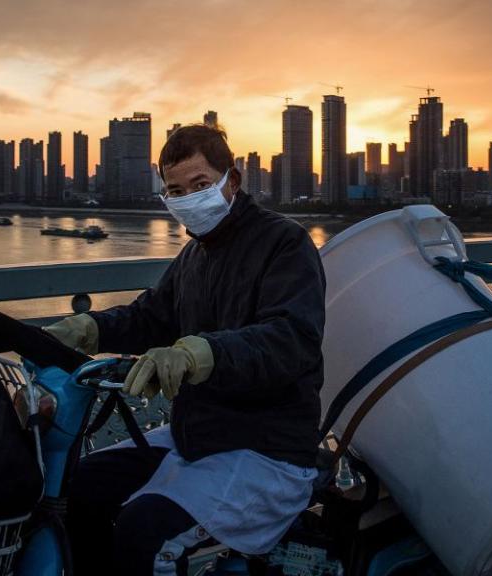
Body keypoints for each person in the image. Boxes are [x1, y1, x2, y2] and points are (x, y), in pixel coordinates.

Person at [44, 124, 326, 576]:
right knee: (81, 486)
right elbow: (150, 318)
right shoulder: (193, 257)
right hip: (195, 434)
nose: (189, 198)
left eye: (200, 185)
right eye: (176, 190)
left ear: (231, 181)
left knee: (144, 528)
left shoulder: (284, 242)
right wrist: (88, 328)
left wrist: (201, 354)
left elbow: (291, 338)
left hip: (265, 448)